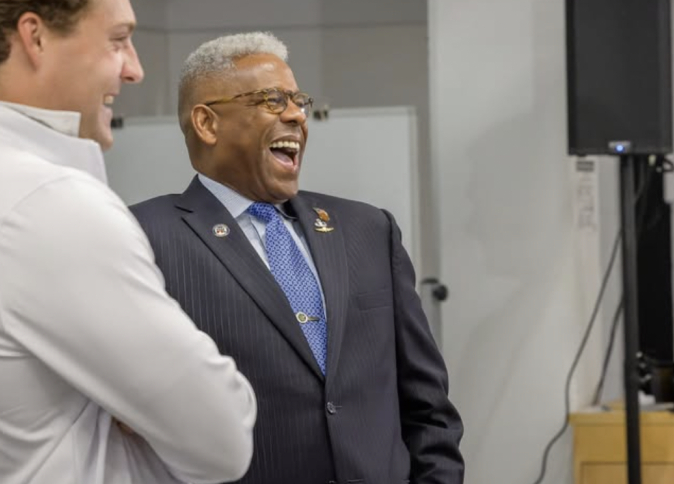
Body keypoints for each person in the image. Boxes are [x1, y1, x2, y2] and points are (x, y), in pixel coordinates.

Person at [0, 0, 257, 484]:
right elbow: (222, 438)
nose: (135, 70)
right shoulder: (47, 204)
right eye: (118, 41)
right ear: (34, 36)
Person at [131, 32, 464, 484]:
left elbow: (427, 404)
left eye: (298, 100)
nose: (295, 115)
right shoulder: (144, 237)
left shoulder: (368, 230)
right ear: (207, 123)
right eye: (271, 100)